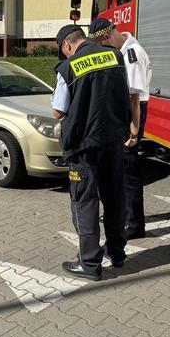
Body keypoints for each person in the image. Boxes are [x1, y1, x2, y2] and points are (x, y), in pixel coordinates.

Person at [51, 24, 131, 281]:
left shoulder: (69, 67)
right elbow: (126, 94)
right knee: (115, 197)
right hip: (113, 140)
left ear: (67, 45)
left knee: (84, 202)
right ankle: (117, 254)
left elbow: (58, 111)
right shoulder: (115, 56)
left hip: (84, 146)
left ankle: (89, 263)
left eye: (64, 52)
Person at [88, 18, 152, 240]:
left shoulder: (131, 55)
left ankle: (134, 224)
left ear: (106, 37)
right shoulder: (123, 50)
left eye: (102, 44)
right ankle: (126, 214)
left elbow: (134, 99)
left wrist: (133, 133)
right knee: (121, 166)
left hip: (133, 113)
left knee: (128, 170)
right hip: (126, 111)